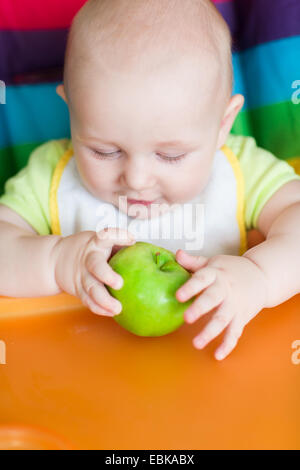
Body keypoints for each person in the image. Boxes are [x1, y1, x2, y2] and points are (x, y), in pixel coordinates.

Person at [1, 0, 300, 360]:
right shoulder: (51, 175)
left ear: (223, 124)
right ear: (72, 111)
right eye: (105, 151)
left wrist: (261, 276)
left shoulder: (240, 171)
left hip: (209, 370)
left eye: (170, 155)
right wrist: (56, 262)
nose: (137, 180)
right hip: (78, 379)